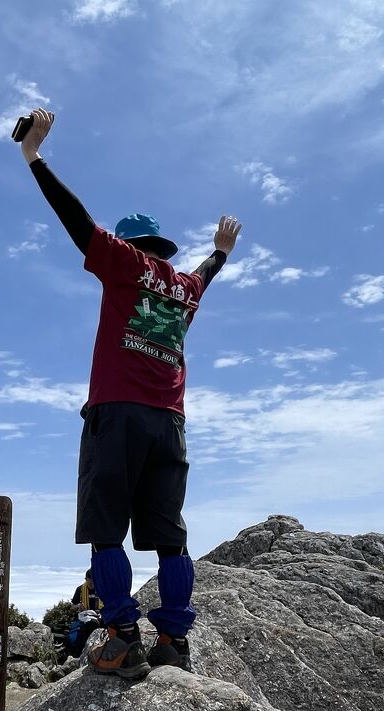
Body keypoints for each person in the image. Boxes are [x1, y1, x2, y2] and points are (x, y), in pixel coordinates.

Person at [19, 108, 241, 679]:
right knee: (170, 535)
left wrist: (34, 158)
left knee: (105, 529)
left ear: (132, 242)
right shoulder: (185, 288)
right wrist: (220, 250)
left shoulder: (122, 262)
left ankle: (121, 638)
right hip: (170, 422)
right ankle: (173, 638)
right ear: (163, 248)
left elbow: (77, 221)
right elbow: (206, 273)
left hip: (116, 414)